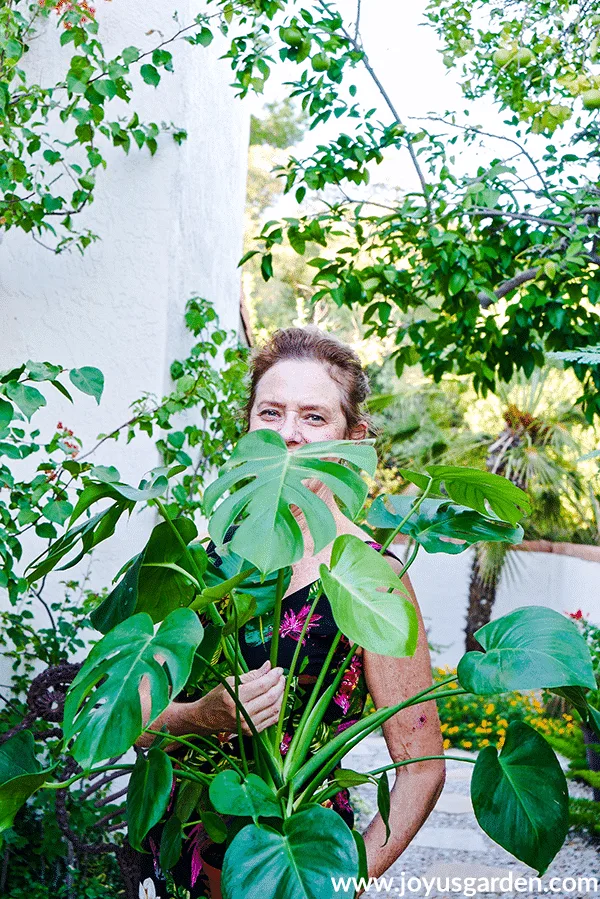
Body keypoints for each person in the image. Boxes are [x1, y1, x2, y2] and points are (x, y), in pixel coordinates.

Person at [135, 326, 445, 898]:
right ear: (249, 427)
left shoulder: (372, 578)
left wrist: (342, 881)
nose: (288, 435)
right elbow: (135, 722)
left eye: (314, 417)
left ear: (353, 438)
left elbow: (422, 767)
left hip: (301, 854)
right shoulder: (208, 563)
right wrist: (200, 715)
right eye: (270, 412)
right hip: (187, 857)